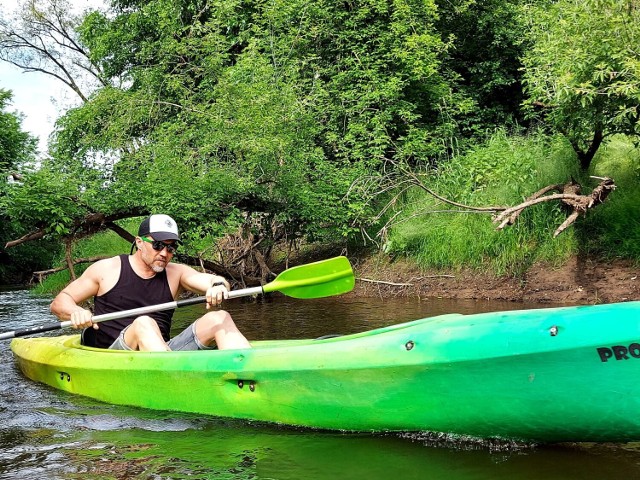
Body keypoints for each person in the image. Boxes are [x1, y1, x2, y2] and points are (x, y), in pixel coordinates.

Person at [50, 214, 251, 352]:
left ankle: (249, 375)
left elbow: (211, 280)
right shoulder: (107, 269)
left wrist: (218, 285)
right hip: (113, 356)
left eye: (170, 248)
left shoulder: (176, 273)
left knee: (220, 318)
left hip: (160, 352)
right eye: (157, 245)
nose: (164, 253)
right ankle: (176, 381)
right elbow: (60, 302)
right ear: (139, 242)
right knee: (144, 323)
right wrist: (76, 312)